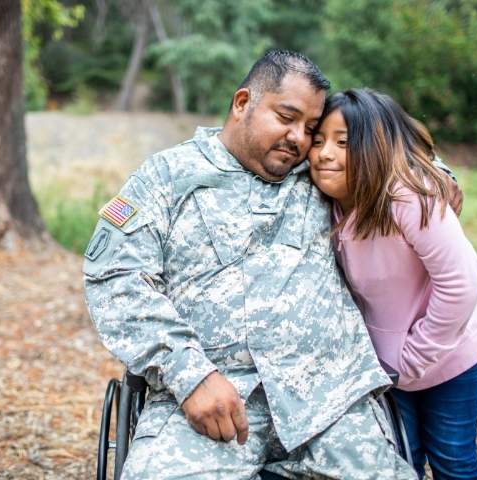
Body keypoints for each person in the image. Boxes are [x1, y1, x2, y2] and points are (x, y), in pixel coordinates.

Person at [84, 50, 418, 479]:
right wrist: (190, 374)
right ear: (242, 103)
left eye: (311, 129)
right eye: (286, 117)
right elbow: (115, 278)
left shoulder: (320, 172)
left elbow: (389, 155)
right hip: (213, 402)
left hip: (330, 399)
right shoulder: (167, 177)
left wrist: (434, 174)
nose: (299, 138)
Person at [308, 88, 477, 480]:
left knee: (452, 457)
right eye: (318, 140)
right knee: (400, 459)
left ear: (374, 148)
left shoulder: (409, 197)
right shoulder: (325, 200)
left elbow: (462, 284)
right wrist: (396, 364)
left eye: (343, 142)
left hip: (450, 349)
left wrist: (414, 358)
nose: (324, 153)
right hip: (390, 363)